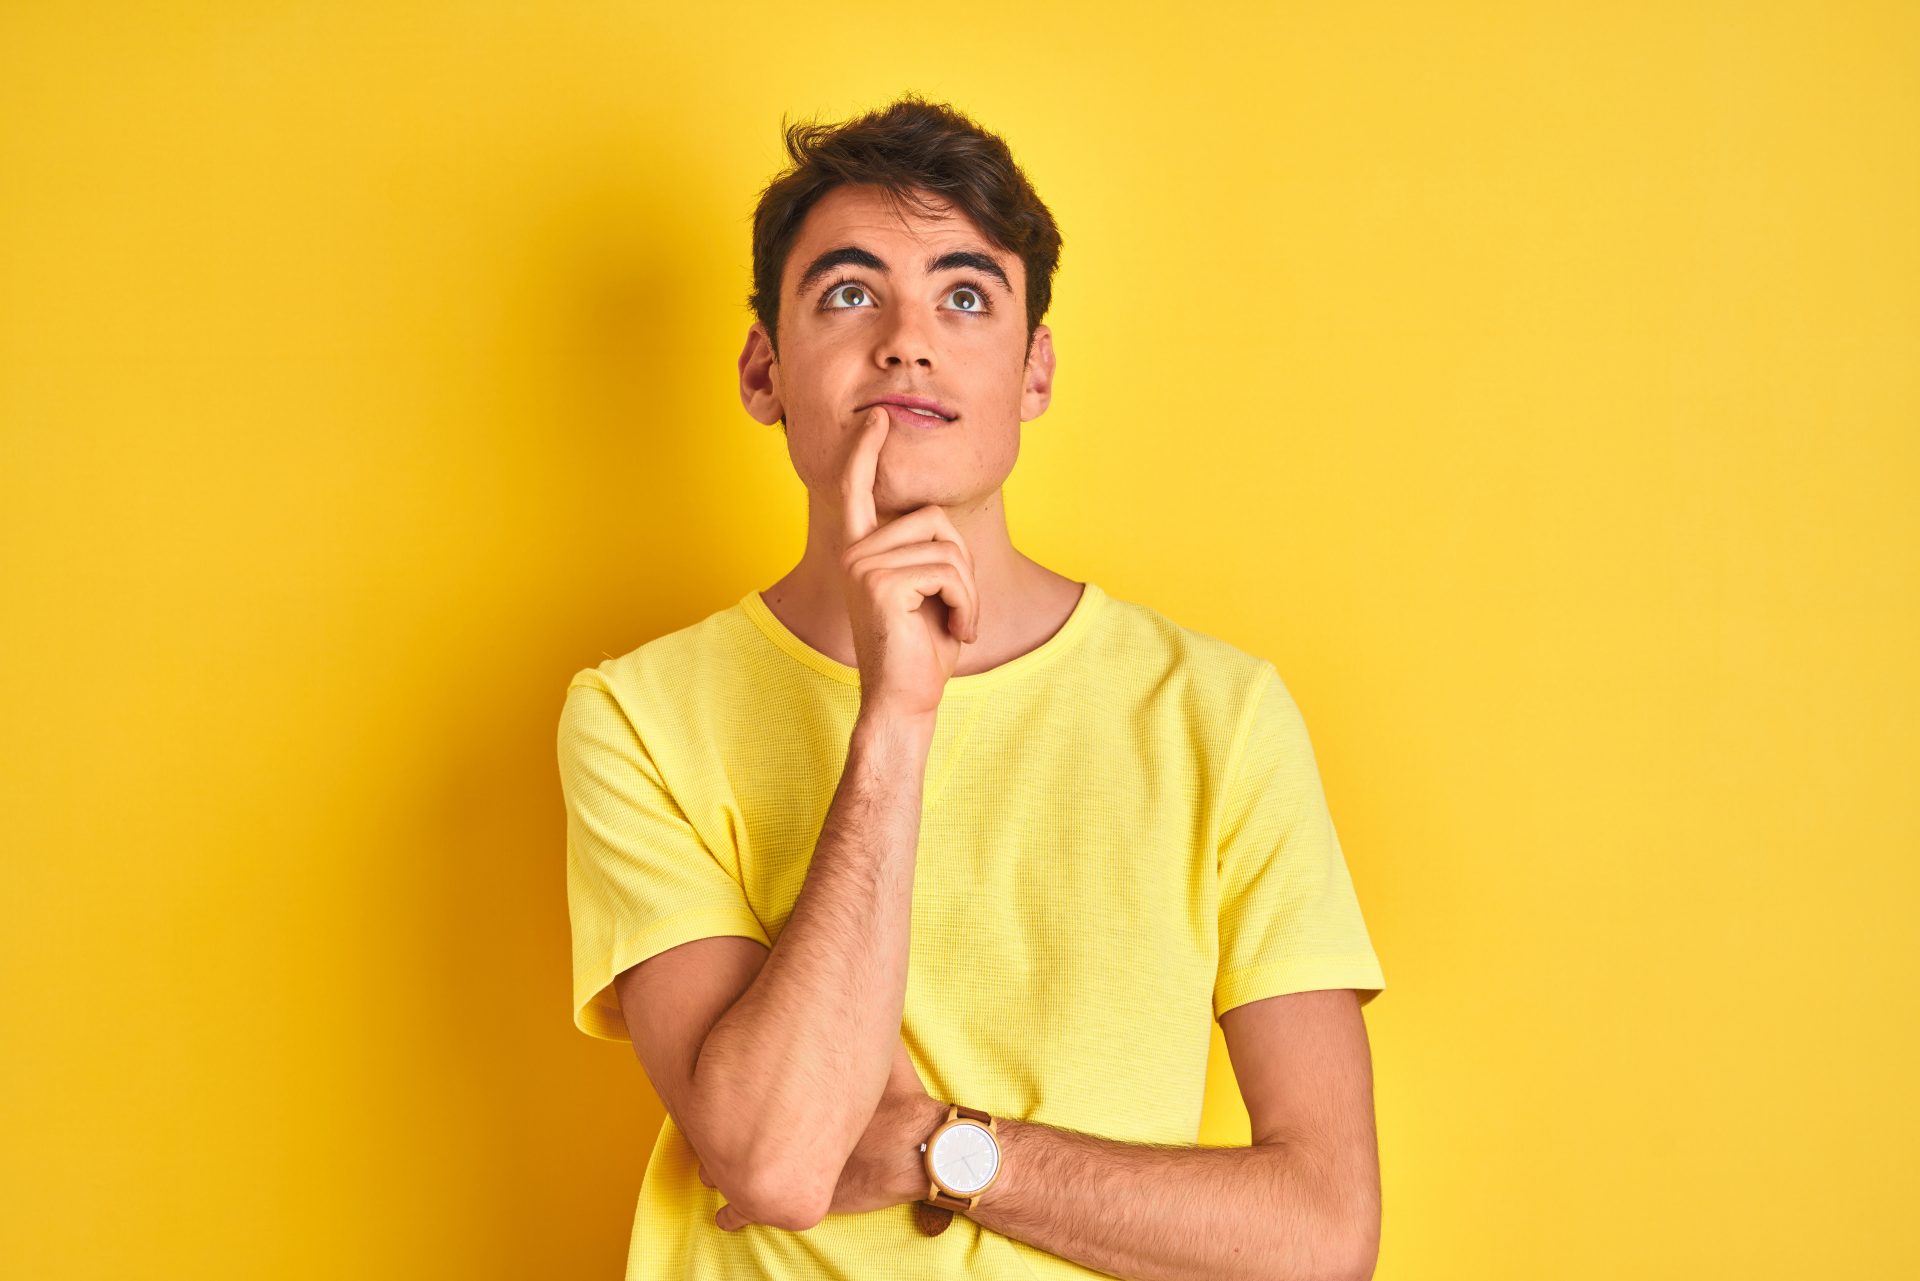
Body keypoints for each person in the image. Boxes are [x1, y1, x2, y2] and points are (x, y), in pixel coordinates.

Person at [557, 93, 1387, 1281]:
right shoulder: (636, 715)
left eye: (965, 295)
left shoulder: (1218, 714)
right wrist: (896, 717)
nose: (908, 340)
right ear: (762, 369)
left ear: (1035, 370)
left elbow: (1320, 1236)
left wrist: (950, 1151)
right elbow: (784, 1164)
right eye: (849, 293)